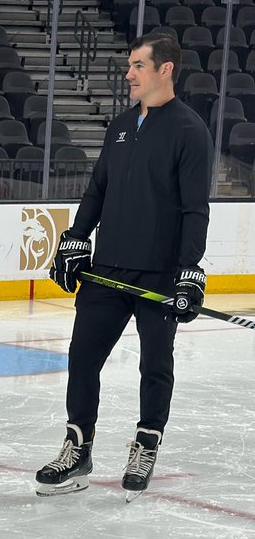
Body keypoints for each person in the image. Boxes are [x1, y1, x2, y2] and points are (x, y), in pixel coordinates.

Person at [38, 31, 213, 499]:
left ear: (164, 69)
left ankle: (146, 443)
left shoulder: (190, 131)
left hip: (158, 273)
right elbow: (98, 190)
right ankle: (78, 448)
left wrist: (189, 270)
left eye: (138, 65)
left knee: (155, 364)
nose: (128, 73)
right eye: (130, 65)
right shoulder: (118, 126)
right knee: (82, 357)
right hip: (107, 269)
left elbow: (195, 208)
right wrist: (76, 239)